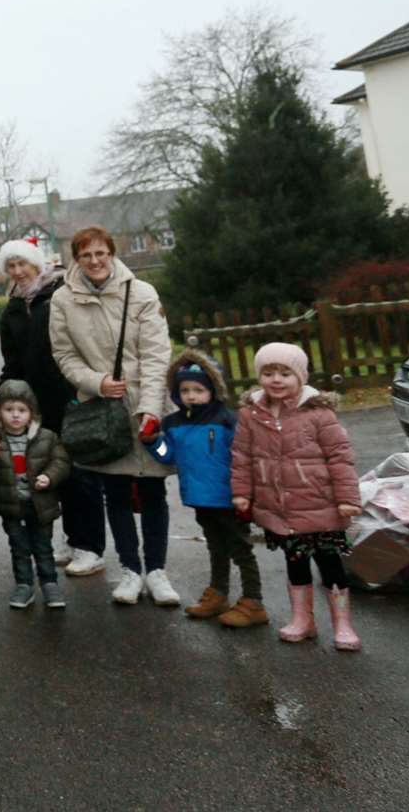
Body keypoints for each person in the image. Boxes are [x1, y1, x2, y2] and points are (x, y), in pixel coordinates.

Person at [49, 225, 176, 606]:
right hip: (102, 411)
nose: (95, 261)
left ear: (112, 253)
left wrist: (151, 408)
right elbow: (64, 355)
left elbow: (157, 354)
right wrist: (96, 382)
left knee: (153, 491)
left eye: (101, 253)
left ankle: (157, 571)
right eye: (86, 255)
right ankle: (130, 571)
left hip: (144, 404)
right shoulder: (62, 301)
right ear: (77, 259)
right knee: (116, 492)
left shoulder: (141, 292)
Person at [231, 343, 364, 651]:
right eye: (268, 373)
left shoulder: (319, 413)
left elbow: (340, 456)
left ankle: (342, 624)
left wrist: (347, 498)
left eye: (284, 373)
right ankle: (302, 620)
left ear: (300, 377)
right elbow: (241, 457)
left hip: (321, 507)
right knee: (296, 562)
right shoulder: (251, 415)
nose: (276, 379)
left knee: (330, 564)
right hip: (282, 509)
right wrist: (242, 493)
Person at [0, 238, 98, 573]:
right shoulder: (11, 309)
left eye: (22, 263)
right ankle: (72, 539)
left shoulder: (59, 295)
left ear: (37, 264)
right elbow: (12, 362)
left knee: (81, 474)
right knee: (55, 472)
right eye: (10, 266)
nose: (18, 271)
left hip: (70, 395)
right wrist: (1, 398)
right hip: (37, 405)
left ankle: (90, 547)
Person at [150, 350, 267, 627]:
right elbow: (169, 456)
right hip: (200, 499)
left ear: (213, 389)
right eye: (185, 390)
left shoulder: (227, 420)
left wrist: (248, 492)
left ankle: (254, 600)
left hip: (230, 498)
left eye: (198, 389)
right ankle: (219, 593)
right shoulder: (174, 424)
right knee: (215, 547)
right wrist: (152, 442)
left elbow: (245, 455)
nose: (191, 395)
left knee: (241, 549)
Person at [0, 380, 70, 610]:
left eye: (21, 410)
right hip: (11, 506)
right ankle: (24, 585)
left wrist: (50, 477)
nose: (15, 416)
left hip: (41, 503)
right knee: (19, 546)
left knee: (43, 545)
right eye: (8, 410)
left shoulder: (47, 437)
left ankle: (50, 583)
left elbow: (61, 461)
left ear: (31, 413)